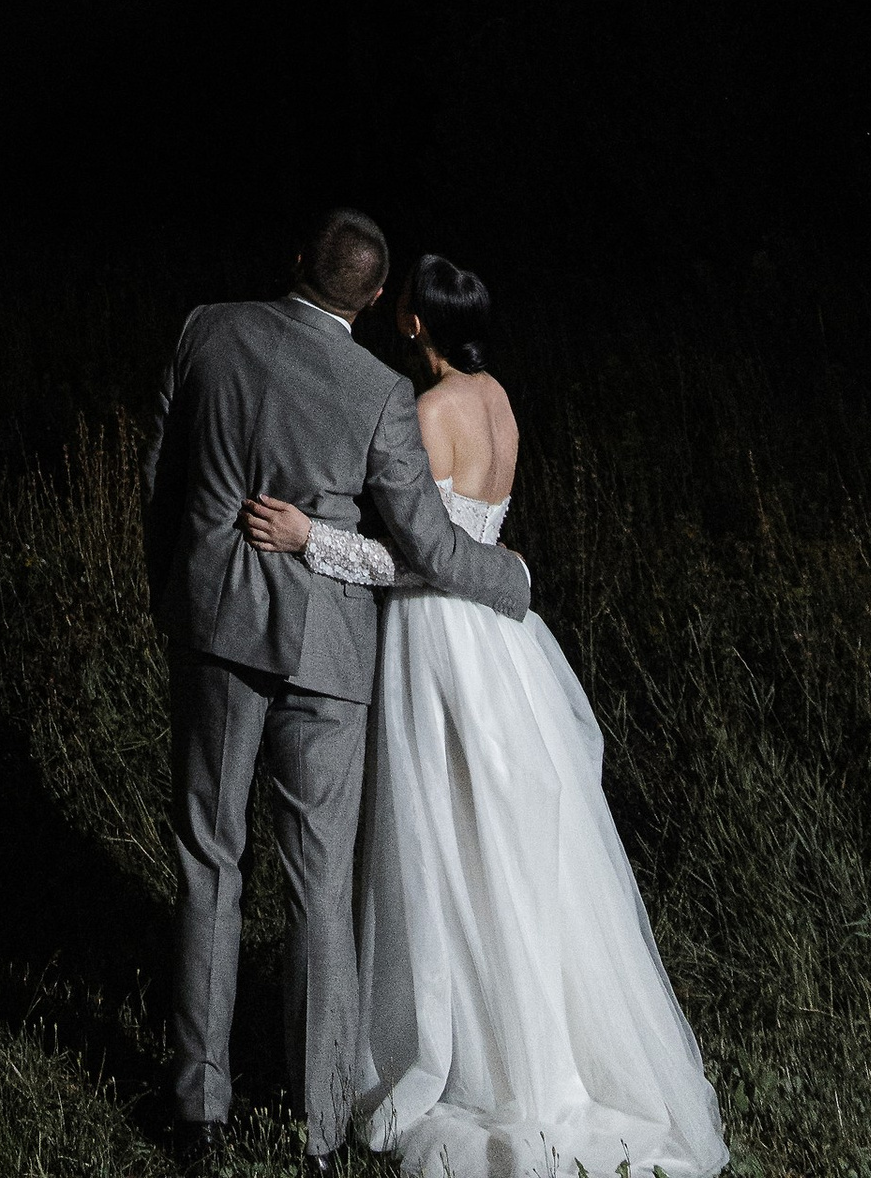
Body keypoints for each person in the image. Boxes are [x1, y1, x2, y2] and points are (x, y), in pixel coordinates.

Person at [242, 253, 729, 1178]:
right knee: (497, 844)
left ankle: (461, 1052)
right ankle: (516, 1037)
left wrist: (309, 541)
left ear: (414, 324)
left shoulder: (426, 415)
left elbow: (414, 558)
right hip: (504, 645)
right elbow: (481, 535)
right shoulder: (500, 400)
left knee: (436, 840)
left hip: (437, 640)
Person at [142, 209, 532, 1165]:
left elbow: (158, 478)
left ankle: (200, 1109)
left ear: (296, 265)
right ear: (369, 302)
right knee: (320, 889)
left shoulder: (206, 329)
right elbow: (427, 545)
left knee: (208, 859)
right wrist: (508, 578)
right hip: (327, 660)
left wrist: (175, 597)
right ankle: (318, 1128)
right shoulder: (378, 393)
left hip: (217, 635)